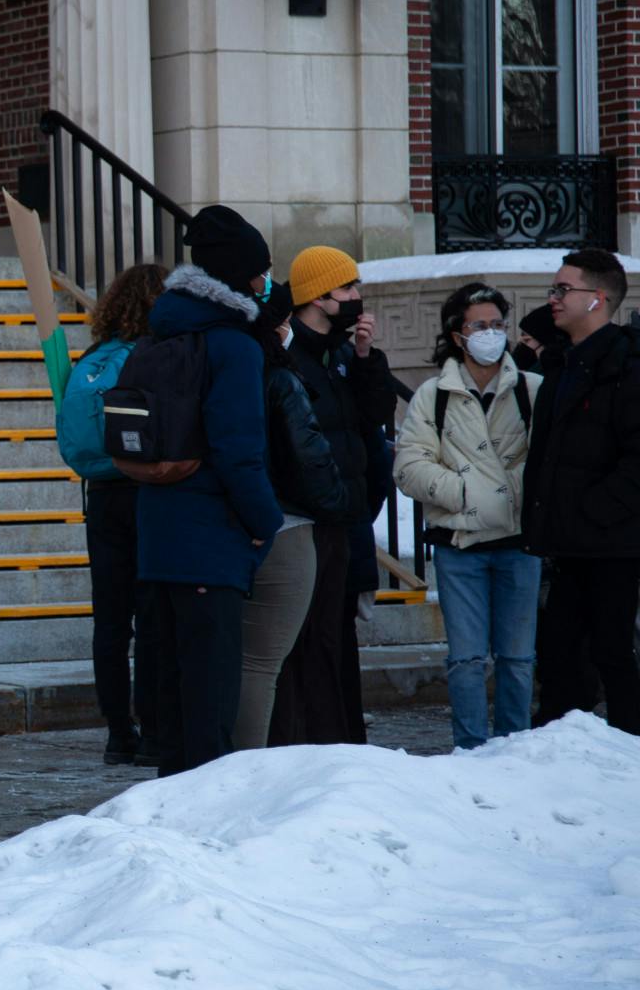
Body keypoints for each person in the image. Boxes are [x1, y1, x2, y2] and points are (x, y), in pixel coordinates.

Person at [135, 205, 283, 775]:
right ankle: (199, 825)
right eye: (261, 271)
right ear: (240, 274)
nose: (266, 281)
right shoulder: (233, 346)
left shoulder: (160, 335)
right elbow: (238, 450)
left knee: (170, 691)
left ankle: (164, 814)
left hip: (158, 536)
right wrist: (264, 522)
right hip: (211, 542)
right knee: (209, 696)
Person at [393, 283, 541, 750]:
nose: (490, 334)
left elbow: (550, 461)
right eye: (479, 325)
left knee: (519, 658)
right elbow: (409, 464)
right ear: (458, 334)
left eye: (498, 324)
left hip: (521, 543)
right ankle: (471, 750)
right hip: (459, 544)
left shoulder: (533, 390)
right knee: (466, 659)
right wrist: (463, 493)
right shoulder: (432, 395)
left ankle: (516, 748)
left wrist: (508, 495)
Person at [269, 245, 394, 747]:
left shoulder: (343, 354)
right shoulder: (287, 357)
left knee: (339, 636)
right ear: (317, 297)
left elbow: (372, 419)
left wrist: (365, 359)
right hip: (309, 519)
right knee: (309, 639)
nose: (357, 298)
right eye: (346, 288)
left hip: (348, 518)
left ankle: (344, 737)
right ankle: (314, 741)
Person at [522, 248, 640, 735]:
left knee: (611, 651)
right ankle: (558, 749)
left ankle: (629, 749)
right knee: (559, 654)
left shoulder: (627, 366)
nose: (553, 298)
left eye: (562, 289)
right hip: (567, 545)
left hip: (611, 545)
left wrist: (592, 512)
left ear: (597, 299)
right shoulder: (563, 369)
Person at [57, 261, 166, 765]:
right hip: (143, 489)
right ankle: (151, 723)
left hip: (99, 493)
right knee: (150, 614)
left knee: (111, 620)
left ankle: (117, 731)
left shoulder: (94, 356)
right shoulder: (152, 355)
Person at [236, 282, 349, 750]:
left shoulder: (227, 367)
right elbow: (310, 459)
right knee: (263, 662)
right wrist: (339, 504)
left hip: (242, 521)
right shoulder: (279, 377)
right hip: (285, 524)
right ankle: (251, 763)